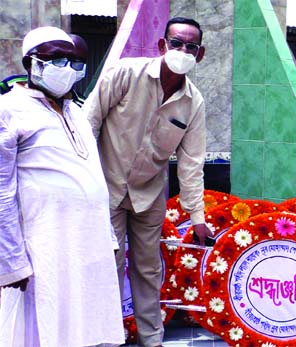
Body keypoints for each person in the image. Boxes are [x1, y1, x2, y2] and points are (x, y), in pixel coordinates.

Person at [84, 17, 210, 346]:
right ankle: (105, 339)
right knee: (107, 267)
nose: (182, 50)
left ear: (200, 54)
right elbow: (88, 124)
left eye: (190, 47)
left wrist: (197, 218)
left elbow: (192, 163)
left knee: (148, 270)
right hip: (105, 188)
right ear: (162, 45)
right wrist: (84, 185)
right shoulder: (126, 73)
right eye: (176, 43)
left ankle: (151, 340)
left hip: (149, 195)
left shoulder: (193, 103)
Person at [0, 26, 123, 346]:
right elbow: (2, 192)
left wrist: (107, 237)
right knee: (44, 327)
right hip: (43, 247)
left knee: (86, 327)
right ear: (32, 63)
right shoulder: (9, 110)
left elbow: (94, 177)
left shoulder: (77, 111)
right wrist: (11, 262)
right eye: (56, 60)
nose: (67, 69)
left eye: (72, 61)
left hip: (88, 244)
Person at [0, 33, 88, 106]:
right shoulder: (11, 86)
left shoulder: (80, 107)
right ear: (29, 63)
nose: (68, 68)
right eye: (59, 60)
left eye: (76, 62)